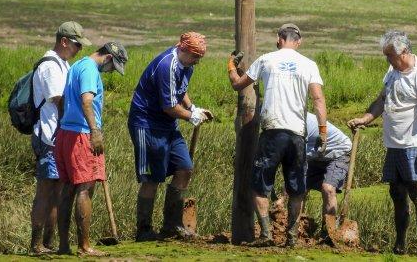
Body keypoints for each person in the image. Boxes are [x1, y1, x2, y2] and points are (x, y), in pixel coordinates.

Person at [228, 23, 328, 247]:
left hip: (272, 132)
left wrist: (231, 66)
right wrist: (322, 131)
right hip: (297, 135)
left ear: (278, 39)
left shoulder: (266, 60)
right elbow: (318, 100)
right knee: (296, 189)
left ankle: (266, 233)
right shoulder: (309, 64)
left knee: (260, 185)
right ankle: (291, 236)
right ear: (298, 41)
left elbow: (237, 84)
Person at [348, 30, 417, 257]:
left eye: (390, 56)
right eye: (386, 56)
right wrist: (365, 118)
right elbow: (382, 99)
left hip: (414, 144)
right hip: (394, 144)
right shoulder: (392, 70)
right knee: (396, 194)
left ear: (404, 52)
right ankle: (400, 245)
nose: (388, 60)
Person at [129, 32, 213, 242]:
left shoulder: (188, 65)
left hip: (168, 125)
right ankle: (144, 229)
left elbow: (180, 90)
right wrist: (190, 116)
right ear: (182, 49)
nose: (196, 61)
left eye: (199, 58)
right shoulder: (167, 66)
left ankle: (172, 225)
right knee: (153, 178)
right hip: (147, 124)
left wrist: (192, 107)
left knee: (185, 168)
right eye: (194, 56)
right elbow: (168, 106)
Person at [54, 41, 128, 256]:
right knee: (85, 188)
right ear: (108, 58)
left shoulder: (77, 65)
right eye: (112, 67)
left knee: (67, 189)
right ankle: (84, 246)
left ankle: (63, 246)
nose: (110, 71)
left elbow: (64, 101)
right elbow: (87, 101)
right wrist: (95, 131)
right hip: (81, 134)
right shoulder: (89, 69)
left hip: (66, 133)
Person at [30, 21, 90, 254]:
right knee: (46, 190)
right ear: (64, 41)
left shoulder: (63, 64)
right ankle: (36, 245)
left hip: (60, 136)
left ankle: (48, 243)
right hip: (48, 136)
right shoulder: (50, 66)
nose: (79, 50)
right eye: (77, 45)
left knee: (58, 190)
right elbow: (59, 100)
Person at [305, 115, 352, 230]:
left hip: (338, 151)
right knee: (300, 188)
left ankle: (328, 231)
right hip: (314, 154)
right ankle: (297, 228)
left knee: (328, 188)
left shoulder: (301, 123)